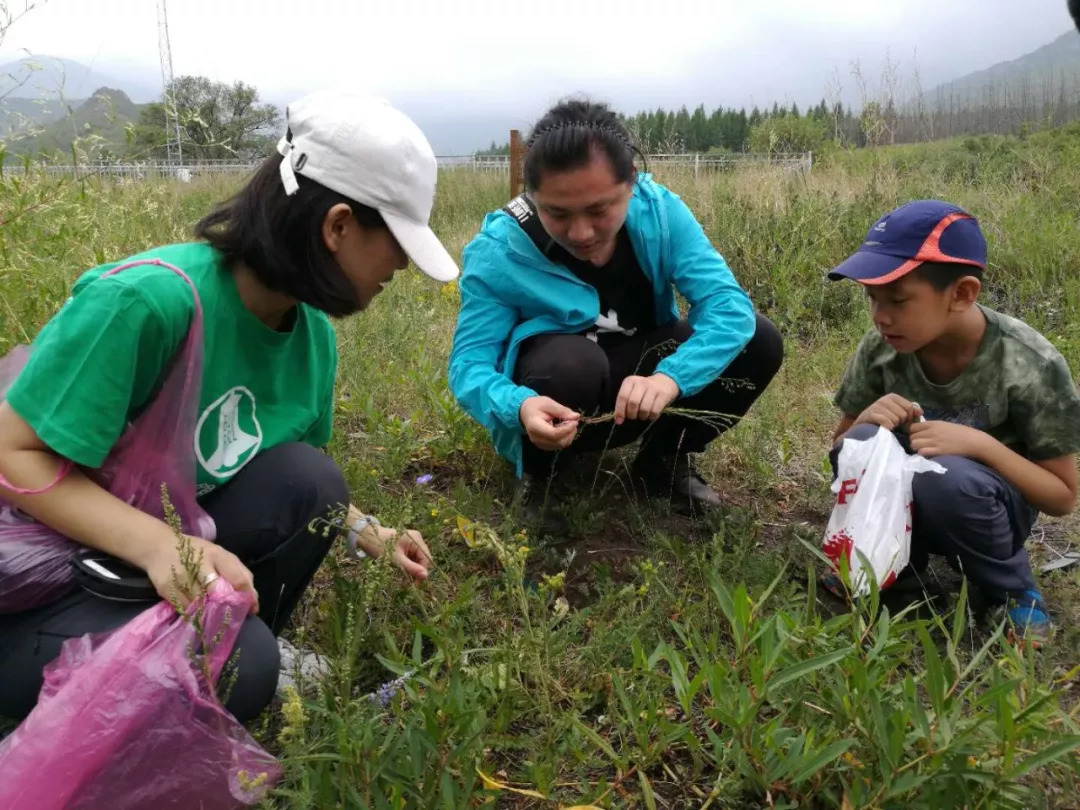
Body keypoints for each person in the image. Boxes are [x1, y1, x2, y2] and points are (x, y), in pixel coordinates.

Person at [0, 89, 459, 723]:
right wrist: (164, 548)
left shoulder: (309, 338)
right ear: (339, 226)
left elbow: (261, 459)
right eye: (399, 245)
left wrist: (365, 530)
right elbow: (10, 455)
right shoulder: (147, 303)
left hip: (131, 555)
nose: (402, 268)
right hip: (32, 583)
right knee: (245, 668)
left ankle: (233, 635)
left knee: (310, 479)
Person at [447, 99, 783, 532]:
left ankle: (663, 460)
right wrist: (520, 405)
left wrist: (670, 378)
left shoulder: (660, 212)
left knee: (759, 339)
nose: (581, 233)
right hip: (557, 392)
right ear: (531, 196)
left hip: (642, 383)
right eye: (558, 213)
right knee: (571, 364)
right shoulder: (500, 249)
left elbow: (728, 307)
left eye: (600, 209)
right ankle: (541, 476)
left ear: (632, 184)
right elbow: (468, 366)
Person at [826, 199, 1080, 644]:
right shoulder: (880, 347)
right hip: (910, 504)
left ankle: (1010, 590)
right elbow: (842, 449)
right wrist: (864, 420)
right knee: (863, 440)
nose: (880, 316)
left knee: (944, 475)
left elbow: (1061, 498)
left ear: (962, 293)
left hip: (985, 508)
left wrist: (981, 446)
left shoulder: (1027, 362)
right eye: (872, 298)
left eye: (898, 300)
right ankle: (893, 571)